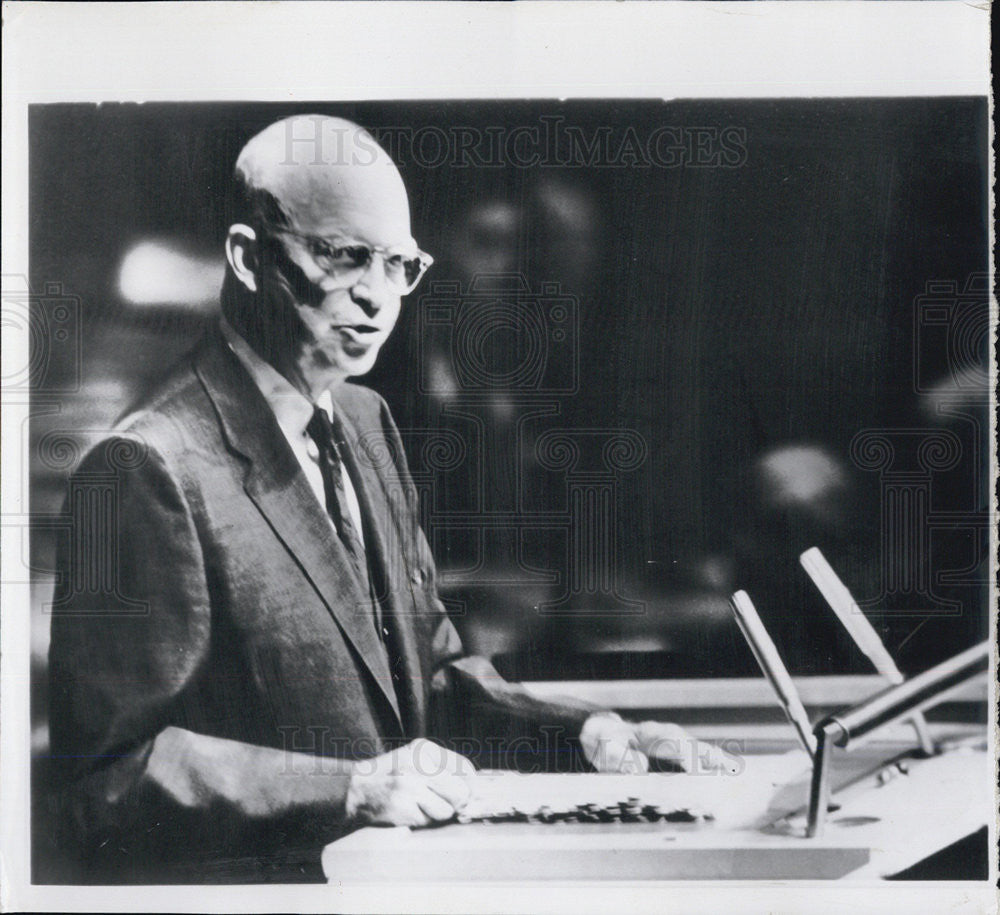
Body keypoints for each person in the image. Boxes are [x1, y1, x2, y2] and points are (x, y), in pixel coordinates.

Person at [48, 115, 733, 883]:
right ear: (245, 257)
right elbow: (109, 778)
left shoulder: (368, 422)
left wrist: (594, 731)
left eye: (398, 265)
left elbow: (429, 683)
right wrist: (355, 787)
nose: (376, 296)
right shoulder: (144, 464)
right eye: (342, 256)